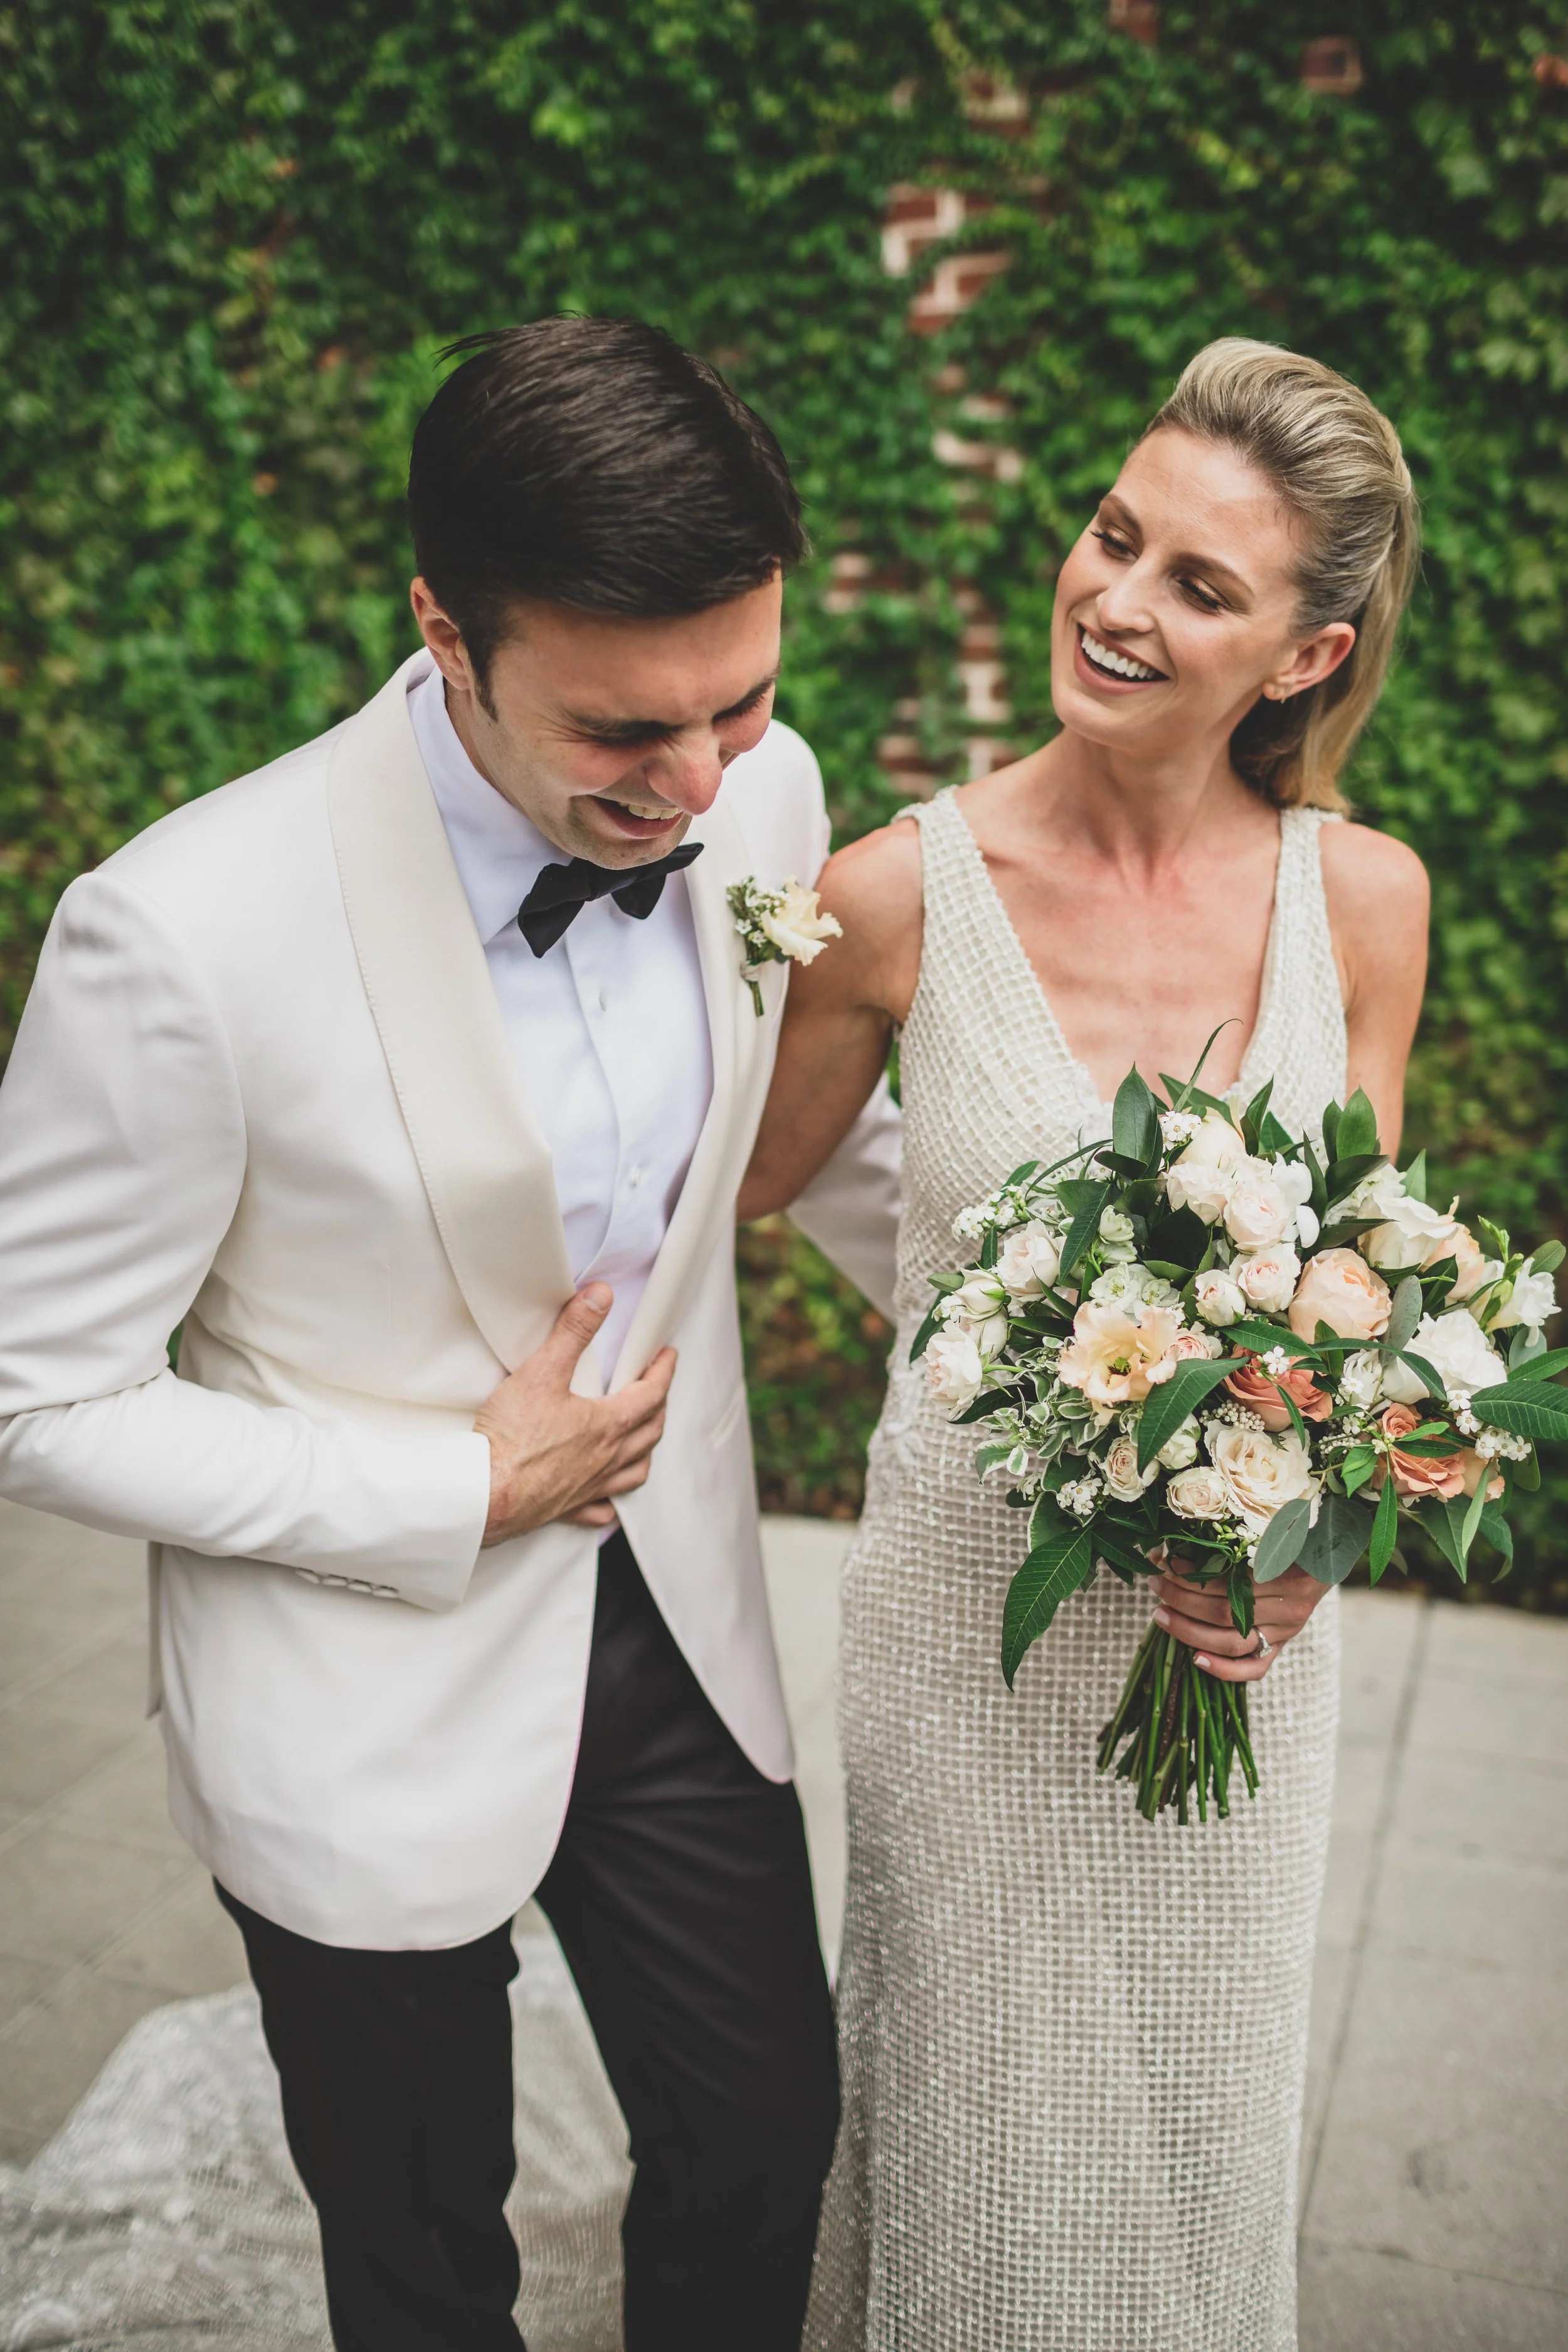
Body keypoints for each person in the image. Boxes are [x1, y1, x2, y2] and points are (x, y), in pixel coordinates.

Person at [0, 317, 901, 2352]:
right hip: (353, 1670)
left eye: (735, 705)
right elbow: (29, 1387)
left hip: (672, 1622)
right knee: (423, 2253)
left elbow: (789, 1146)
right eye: (619, 736)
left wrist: (1094, 1343)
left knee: (766, 2131)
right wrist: (453, 1483)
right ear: (444, 629)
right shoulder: (180, 932)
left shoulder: (768, 811)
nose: (690, 789)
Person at [741, 339, 1429, 2351]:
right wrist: (1007, 1340)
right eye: (1113, 535)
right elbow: (743, 1182)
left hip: (1230, 1631)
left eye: (1199, 586)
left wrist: (1303, 1526)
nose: (1114, 599)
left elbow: (1358, 1290)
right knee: (978, 2110)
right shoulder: (887, 898)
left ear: (1302, 655)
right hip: (971, 1616)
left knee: (1199, 2113)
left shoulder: (1363, 902)